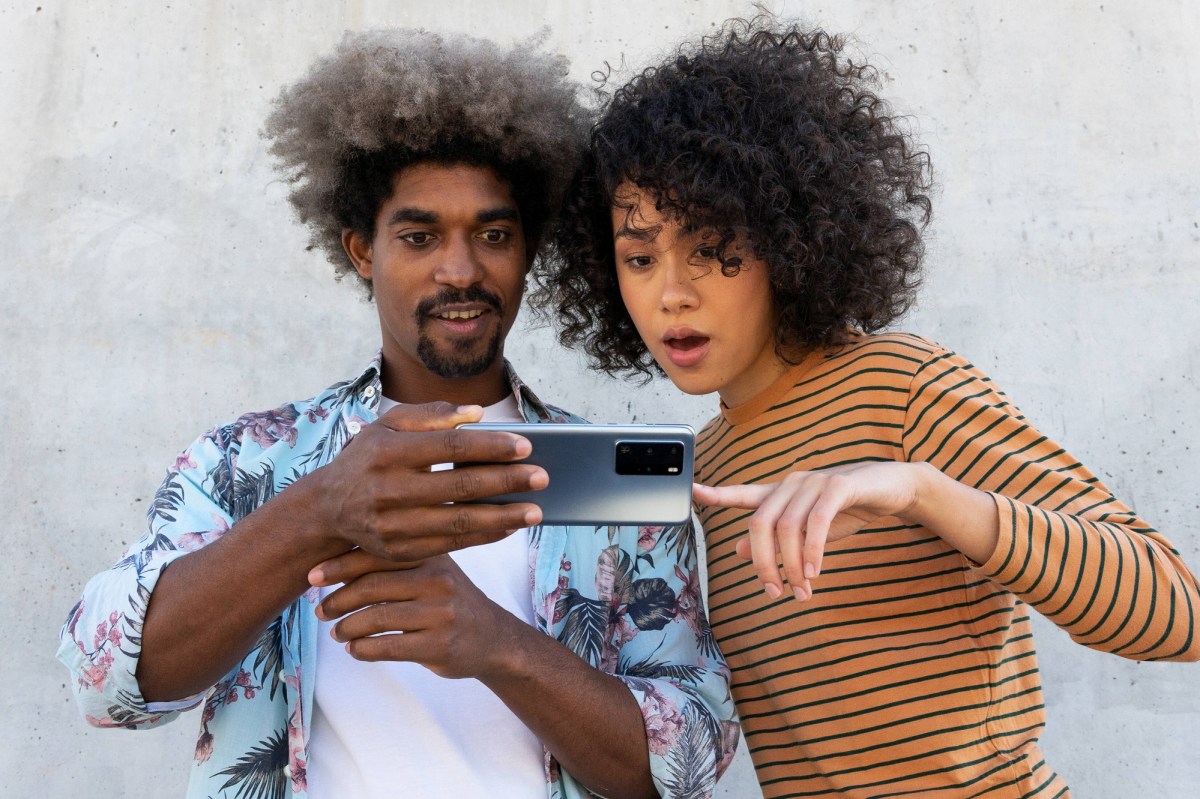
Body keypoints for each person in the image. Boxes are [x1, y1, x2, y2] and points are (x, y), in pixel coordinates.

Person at [56, 29, 738, 799]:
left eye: (493, 234)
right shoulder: (247, 462)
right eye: (419, 236)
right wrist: (320, 509)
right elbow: (100, 679)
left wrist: (495, 643)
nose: (460, 269)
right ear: (361, 250)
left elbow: (689, 763)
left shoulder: (615, 484)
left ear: (525, 252)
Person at [539, 16, 1200, 798]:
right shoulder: (707, 468)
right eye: (640, 257)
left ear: (788, 238)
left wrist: (922, 489)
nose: (672, 292)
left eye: (715, 246)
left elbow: (1176, 611)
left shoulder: (905, 385)